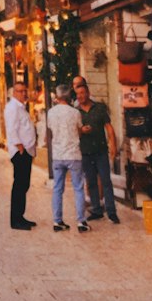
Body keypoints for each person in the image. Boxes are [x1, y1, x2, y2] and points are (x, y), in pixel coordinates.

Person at [73, 76, 120, 224]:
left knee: (106, 181)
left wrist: (113, 145)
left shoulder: (99, 108)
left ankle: (111, 211)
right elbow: (74, 132)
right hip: (85, 152)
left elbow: (109, 127)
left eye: (82, 93)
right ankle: (97, 210)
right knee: (91, 182)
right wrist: (82, 131)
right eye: (78, 94)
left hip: (100, 151)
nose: (80, 97)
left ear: (88, 93)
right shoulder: (75, 112)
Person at [46, 85, 89, 233]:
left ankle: (57, 221)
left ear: (57, 97)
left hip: (58, 155)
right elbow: (79, 131)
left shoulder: (51, 113)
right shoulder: (75, 112)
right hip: (73, 154)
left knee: (57, 188)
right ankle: (81, 221)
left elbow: (51, 130)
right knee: (78, 188)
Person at [3, 83, 37, 230]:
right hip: (20, 152)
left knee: (24, 185)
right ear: (14, 93)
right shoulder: (12, 108)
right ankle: (15, 220)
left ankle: (20, 216)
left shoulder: (21, 107)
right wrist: (19, 147)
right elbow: (11, 129)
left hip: (27, 151)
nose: (24, 93)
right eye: (20, 91)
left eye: (25, 90)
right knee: (19, 185)